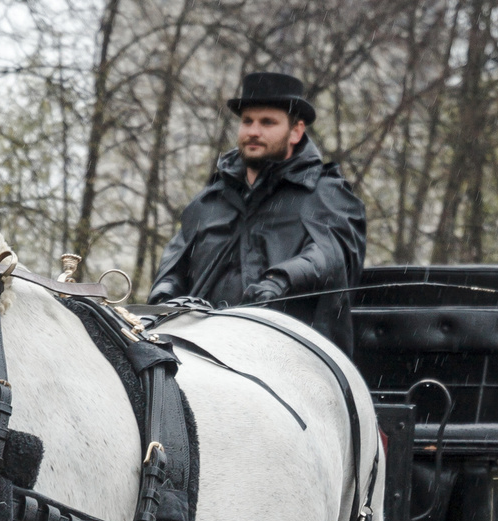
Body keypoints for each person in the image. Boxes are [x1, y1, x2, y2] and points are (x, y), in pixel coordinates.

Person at [148, 71, 366, 346]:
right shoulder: (209, 201)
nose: (253, 131)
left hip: (289, 349)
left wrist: (279, 279)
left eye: (267, 122)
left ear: (296, 131)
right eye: (247, 121)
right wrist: (165, 297)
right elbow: (175, 264)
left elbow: (332, 254)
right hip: (198, 347)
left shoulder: (324, 193)